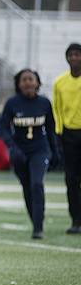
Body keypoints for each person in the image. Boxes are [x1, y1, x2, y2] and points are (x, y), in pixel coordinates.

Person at [0, 69, 59, 239]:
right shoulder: (12, 103)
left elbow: (50, 128)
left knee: (37, 185)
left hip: (39, 150)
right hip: (19, 151)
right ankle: (35, 221)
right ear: (18, 84)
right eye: (24, 80)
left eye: (31, 79)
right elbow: (3, 127)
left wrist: (54, 151)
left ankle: (38, 227)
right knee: (27, 187)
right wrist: (12, 147)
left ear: (37, 83)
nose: (27, 83)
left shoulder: (45, 103)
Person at [53, 43, 81, 235]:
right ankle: (75, 220)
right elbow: (56, 108)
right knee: (71, 179)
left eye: (77, 54)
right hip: (69, 135)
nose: (74, 58)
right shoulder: (59, 82)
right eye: (70, 55)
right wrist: (59, 132)